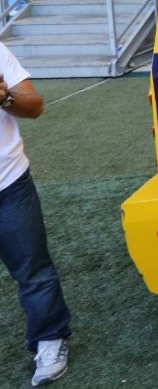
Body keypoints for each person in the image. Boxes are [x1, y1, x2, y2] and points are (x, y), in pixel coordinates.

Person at [0, 41, 72, 386]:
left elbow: (35, 106)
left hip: (8, 184)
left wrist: (4, 98)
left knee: (33, 270)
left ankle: (49, 340)